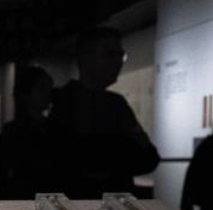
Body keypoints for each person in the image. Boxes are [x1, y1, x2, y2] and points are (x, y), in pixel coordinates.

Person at [47, 27, 160, 198]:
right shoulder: (65, 102)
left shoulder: (116, 104)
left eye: (121, 55)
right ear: (85, 58)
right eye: (109, 54)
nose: (118, 62)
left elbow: (149, 158)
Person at [0, 66, 56, 199]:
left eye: (49, 89)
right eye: (41, 89)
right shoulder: (15, 132)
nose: (47, 94)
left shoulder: (52, 128)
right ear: (26, 94)